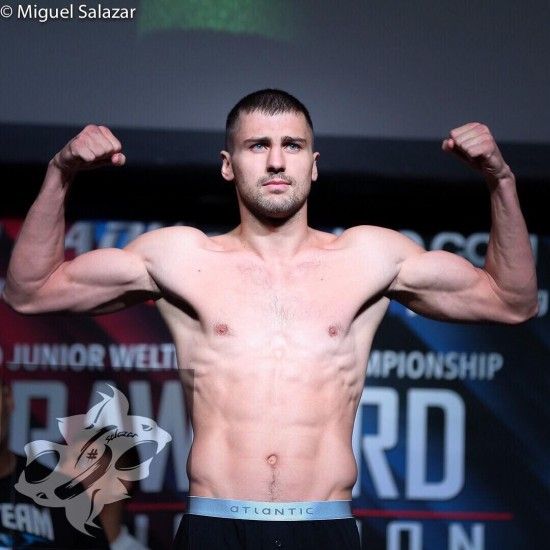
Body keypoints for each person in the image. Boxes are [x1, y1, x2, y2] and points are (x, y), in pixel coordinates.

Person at [2, 90, 538, 550]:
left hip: (323, 526)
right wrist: (60, 173)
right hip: (216, 525)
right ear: (228, 164)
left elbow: (511, 301)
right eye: (258, 145)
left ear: (314, 164)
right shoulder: (180, 258)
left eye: (293, 146)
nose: (277, 161)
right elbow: (30, 292)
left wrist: (501, 180)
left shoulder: (370, 258)